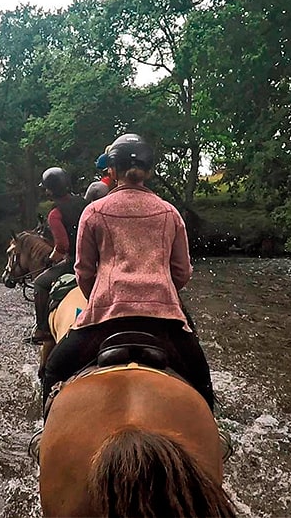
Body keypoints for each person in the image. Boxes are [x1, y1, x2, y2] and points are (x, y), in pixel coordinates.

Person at [41, 133, 215, 412]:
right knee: (202, 380)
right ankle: (217, 435)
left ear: (111, 170)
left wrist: (98, 298)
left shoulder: (94, 211)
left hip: (106, 320)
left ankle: (42, 437)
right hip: (164, 322)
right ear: (149, 171)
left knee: (53, 370)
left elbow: (83, 272)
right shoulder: (170, 213)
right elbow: (182, 272)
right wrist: (159, 291)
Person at [26, 167, 89, 345]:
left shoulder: (55, 214)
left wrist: (50, 259)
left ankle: (42, 329)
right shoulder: (84, 203)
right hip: (97, 261)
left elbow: (62, 246)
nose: (45, 192)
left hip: (74, 263)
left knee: (39, 283)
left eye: (46, 188)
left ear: (50, 190)